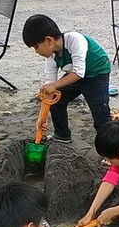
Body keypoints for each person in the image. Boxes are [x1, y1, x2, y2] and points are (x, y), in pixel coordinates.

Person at [22, 14, 112, 144]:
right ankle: (62, 135)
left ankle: (109, 148)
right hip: (74, 76)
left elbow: (78, 73)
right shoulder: (51, 57)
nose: (36, 52)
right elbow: (49, 90)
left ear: (49, 40)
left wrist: (54, 86)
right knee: (55, 101)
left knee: (100, 113)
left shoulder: (75, 40)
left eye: (36, 47)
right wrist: (41, 119)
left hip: (96, 73)